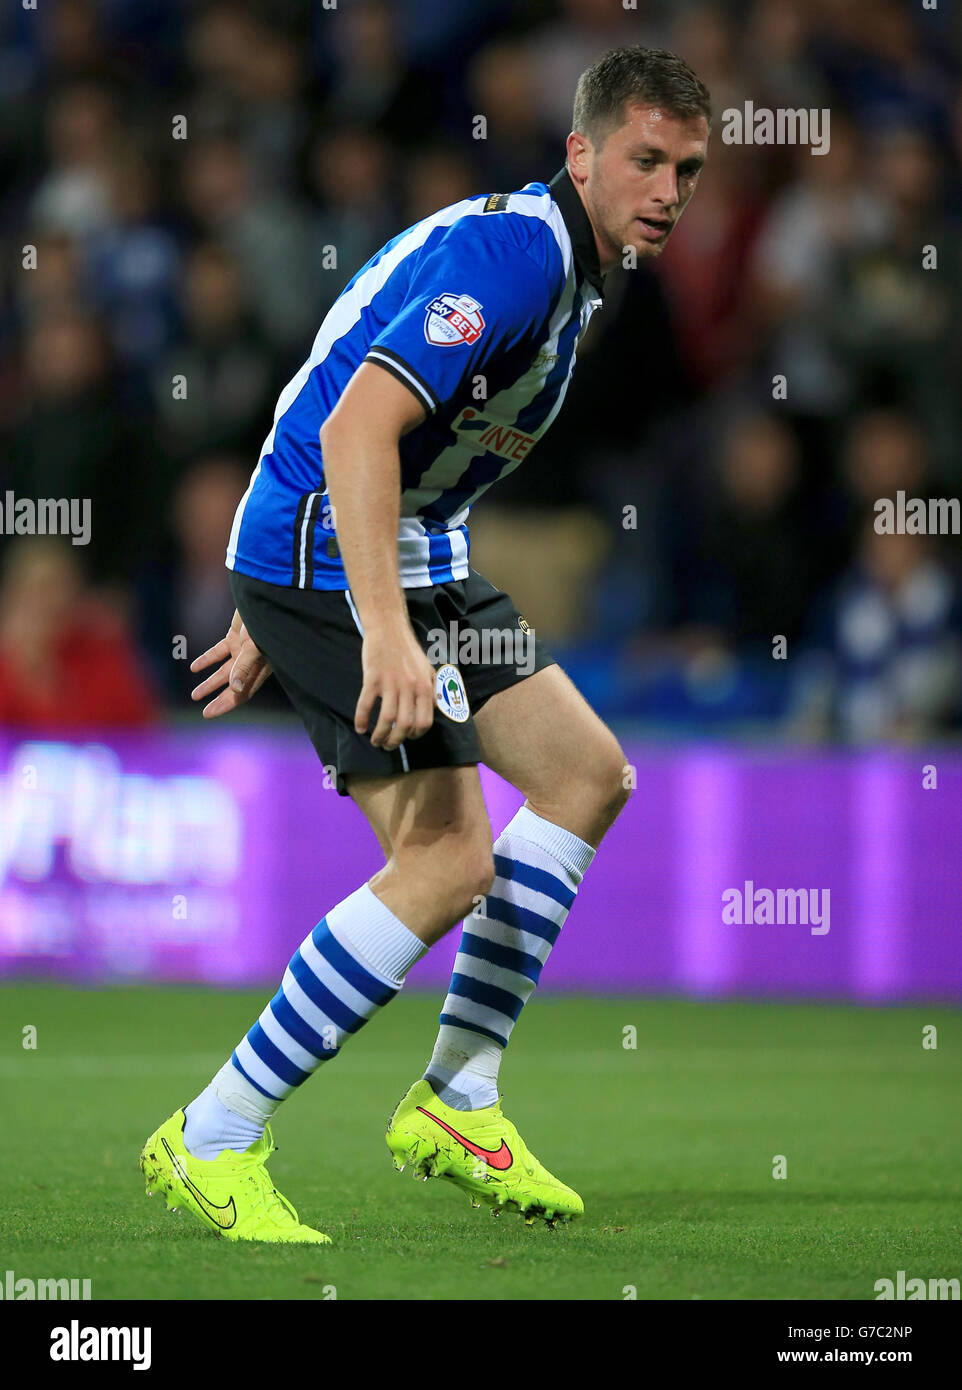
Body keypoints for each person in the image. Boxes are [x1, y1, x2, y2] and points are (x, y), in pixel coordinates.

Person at [141, 46, 711, 1244]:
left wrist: (284, 600)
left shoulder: (580, 279)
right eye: (645, 160)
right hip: (339, 552)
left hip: (402, 550)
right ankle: (213, 1134)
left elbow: (357, 384)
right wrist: (362, 626)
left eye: (688, 169)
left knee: (583, 774)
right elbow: (357, 425)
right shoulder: (519, 259)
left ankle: (456, 1096)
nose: (666, 189)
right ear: (580, 154)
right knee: (447, 860)